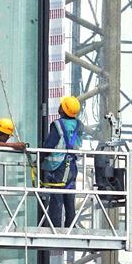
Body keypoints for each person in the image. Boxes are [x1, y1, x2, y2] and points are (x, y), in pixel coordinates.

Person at [41, 96, 83, 228]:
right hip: (72, 167)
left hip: (58, 167)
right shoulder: (78, 125)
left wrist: (39, 158)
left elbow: (50, 145)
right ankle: (70, 225)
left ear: (63, 110)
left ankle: (55, 227)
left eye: (61, 105)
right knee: (69, 195)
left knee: (57, 197)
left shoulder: (58, 125)